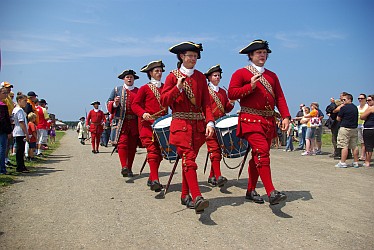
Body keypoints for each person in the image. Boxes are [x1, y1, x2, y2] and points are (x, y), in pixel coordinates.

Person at [228, 39, 290, 205]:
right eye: (258, 53)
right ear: (251, 55)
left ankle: (250, 190)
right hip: (250, 119)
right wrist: (250, 87)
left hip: (268, 120)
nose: (262, 55)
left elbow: (280, 97)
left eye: (264, 53)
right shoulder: (240, 73)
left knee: (257, 155)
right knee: (263, 151)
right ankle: (271, 192)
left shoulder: (272, 75)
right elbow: (232, 94)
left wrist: (286, 116)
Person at [160, 41, 215, 213]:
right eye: (189, 56)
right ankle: (197, 196)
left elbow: (206, 102)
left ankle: (185, 195)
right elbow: (164, 101)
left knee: (187, 162)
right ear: (181, 57)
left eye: (195, 56)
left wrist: (210, 122)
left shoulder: (200, 77)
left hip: (198, 127)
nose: (193, 58)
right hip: (181, 125)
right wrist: (177, 87)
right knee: (189, 160)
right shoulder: (171, 76)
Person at [132, 60, 168, 192]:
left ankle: (152, 176)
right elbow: (135, 105)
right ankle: (155, 180)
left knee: (159, 154)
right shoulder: (144, 88)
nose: (159, 73)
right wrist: (143, 113)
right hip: (147, 125)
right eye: (156, 71)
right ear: (150, 73)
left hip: (162, 125)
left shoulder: (166, 87)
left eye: (160, 71)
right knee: (152, 151)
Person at [204, 64, 234, 187]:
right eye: (214, 75)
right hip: (209, 124)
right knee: (214, 150)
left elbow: (226, 110)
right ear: (209, 77)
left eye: (218, 75)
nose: (217, 77)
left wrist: (231, 103)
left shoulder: (222, 91)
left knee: (218, 150)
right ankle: (218, 176)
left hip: (221, 124)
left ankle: (212, 176)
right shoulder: (205, 91)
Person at [107, 69, 139, 177]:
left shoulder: (138, 91)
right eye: (127, 77)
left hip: (134, 122)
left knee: (132, 147)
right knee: (122, 144)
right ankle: (124, 166)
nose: (129, 79)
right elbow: (109, 103)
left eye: (131, 77)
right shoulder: (116, 90)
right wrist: (115, 103)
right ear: (123, 79)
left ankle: (129, 168)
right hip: (121, 122)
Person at [335, 93, 359, 168]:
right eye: (342, 100)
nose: (343, 101)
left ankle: (342, 162)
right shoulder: (355, 108)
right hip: (354, 128)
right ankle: (356, 162)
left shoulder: (344, 108)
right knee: (354, 146)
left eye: (344, 100)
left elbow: (338, 118)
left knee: (344, 145)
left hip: (345, 128)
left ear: (349, 99)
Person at [12, 93, 30, 173]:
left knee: (21, 149)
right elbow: (21, 122)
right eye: (24, 101)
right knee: (20, 150)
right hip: (20, 132)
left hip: (19, 131)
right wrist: (26, 133)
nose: (26, 102)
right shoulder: (19, 110)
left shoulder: (17, 109)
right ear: (19, 100)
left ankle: (21, 165)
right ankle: (20, 166)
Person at [0, 87, 12, 174]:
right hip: (2, 130)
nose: (6, 94)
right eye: (4, 93)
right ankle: (2, 169)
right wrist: (8, 131)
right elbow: (4, 120)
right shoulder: (3, 106)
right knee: (2, 149)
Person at [360, 94, 374, 167]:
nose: (367, 102)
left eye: (369, 100)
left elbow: (362, 117)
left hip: (369, 128)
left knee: (368, 146)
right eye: (367, 100)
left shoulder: (370, 108)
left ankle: (367, 161)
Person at [357, 94, 368, 161]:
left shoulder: (367, 107)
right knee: (361, 141)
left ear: (365, 99)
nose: (360, 100)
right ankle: (362, 155)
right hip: (358, 124)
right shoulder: (357, 107)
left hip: (365, 125)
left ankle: (366, 155)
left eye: (362, 98)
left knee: (366, 141)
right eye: (359, 98)